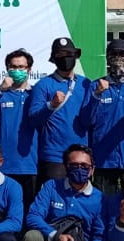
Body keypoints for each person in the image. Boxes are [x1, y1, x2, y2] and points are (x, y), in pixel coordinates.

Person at [84, 39, 124, 193]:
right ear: (107, 57)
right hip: (104, 159)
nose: (118, 58)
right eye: (113, 54)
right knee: (105, 206)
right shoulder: (95, 85)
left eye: (122, 54)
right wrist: (97, 95)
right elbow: (87, 120)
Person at [27, 38, 95, 182]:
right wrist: (51, 105)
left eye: (69, 54)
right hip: (54, 157)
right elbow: (33, 119)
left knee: (79, 201)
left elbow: (90, 120)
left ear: (75, 56)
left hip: (81, 156)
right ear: (54, 59)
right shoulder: (43, 85)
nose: (65, 58)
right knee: (55, 201)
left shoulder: (86, 83)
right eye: (60, 55)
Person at [0, 49, 38, 206]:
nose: (17, 70)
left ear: (29, 69)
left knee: (27, 212)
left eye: (21, 67)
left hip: (30, 165)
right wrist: (0, 89)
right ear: (7, 69)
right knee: (4, 209)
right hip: (5, 164)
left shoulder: (36, 94)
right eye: (13, 67)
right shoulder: (2, 94)